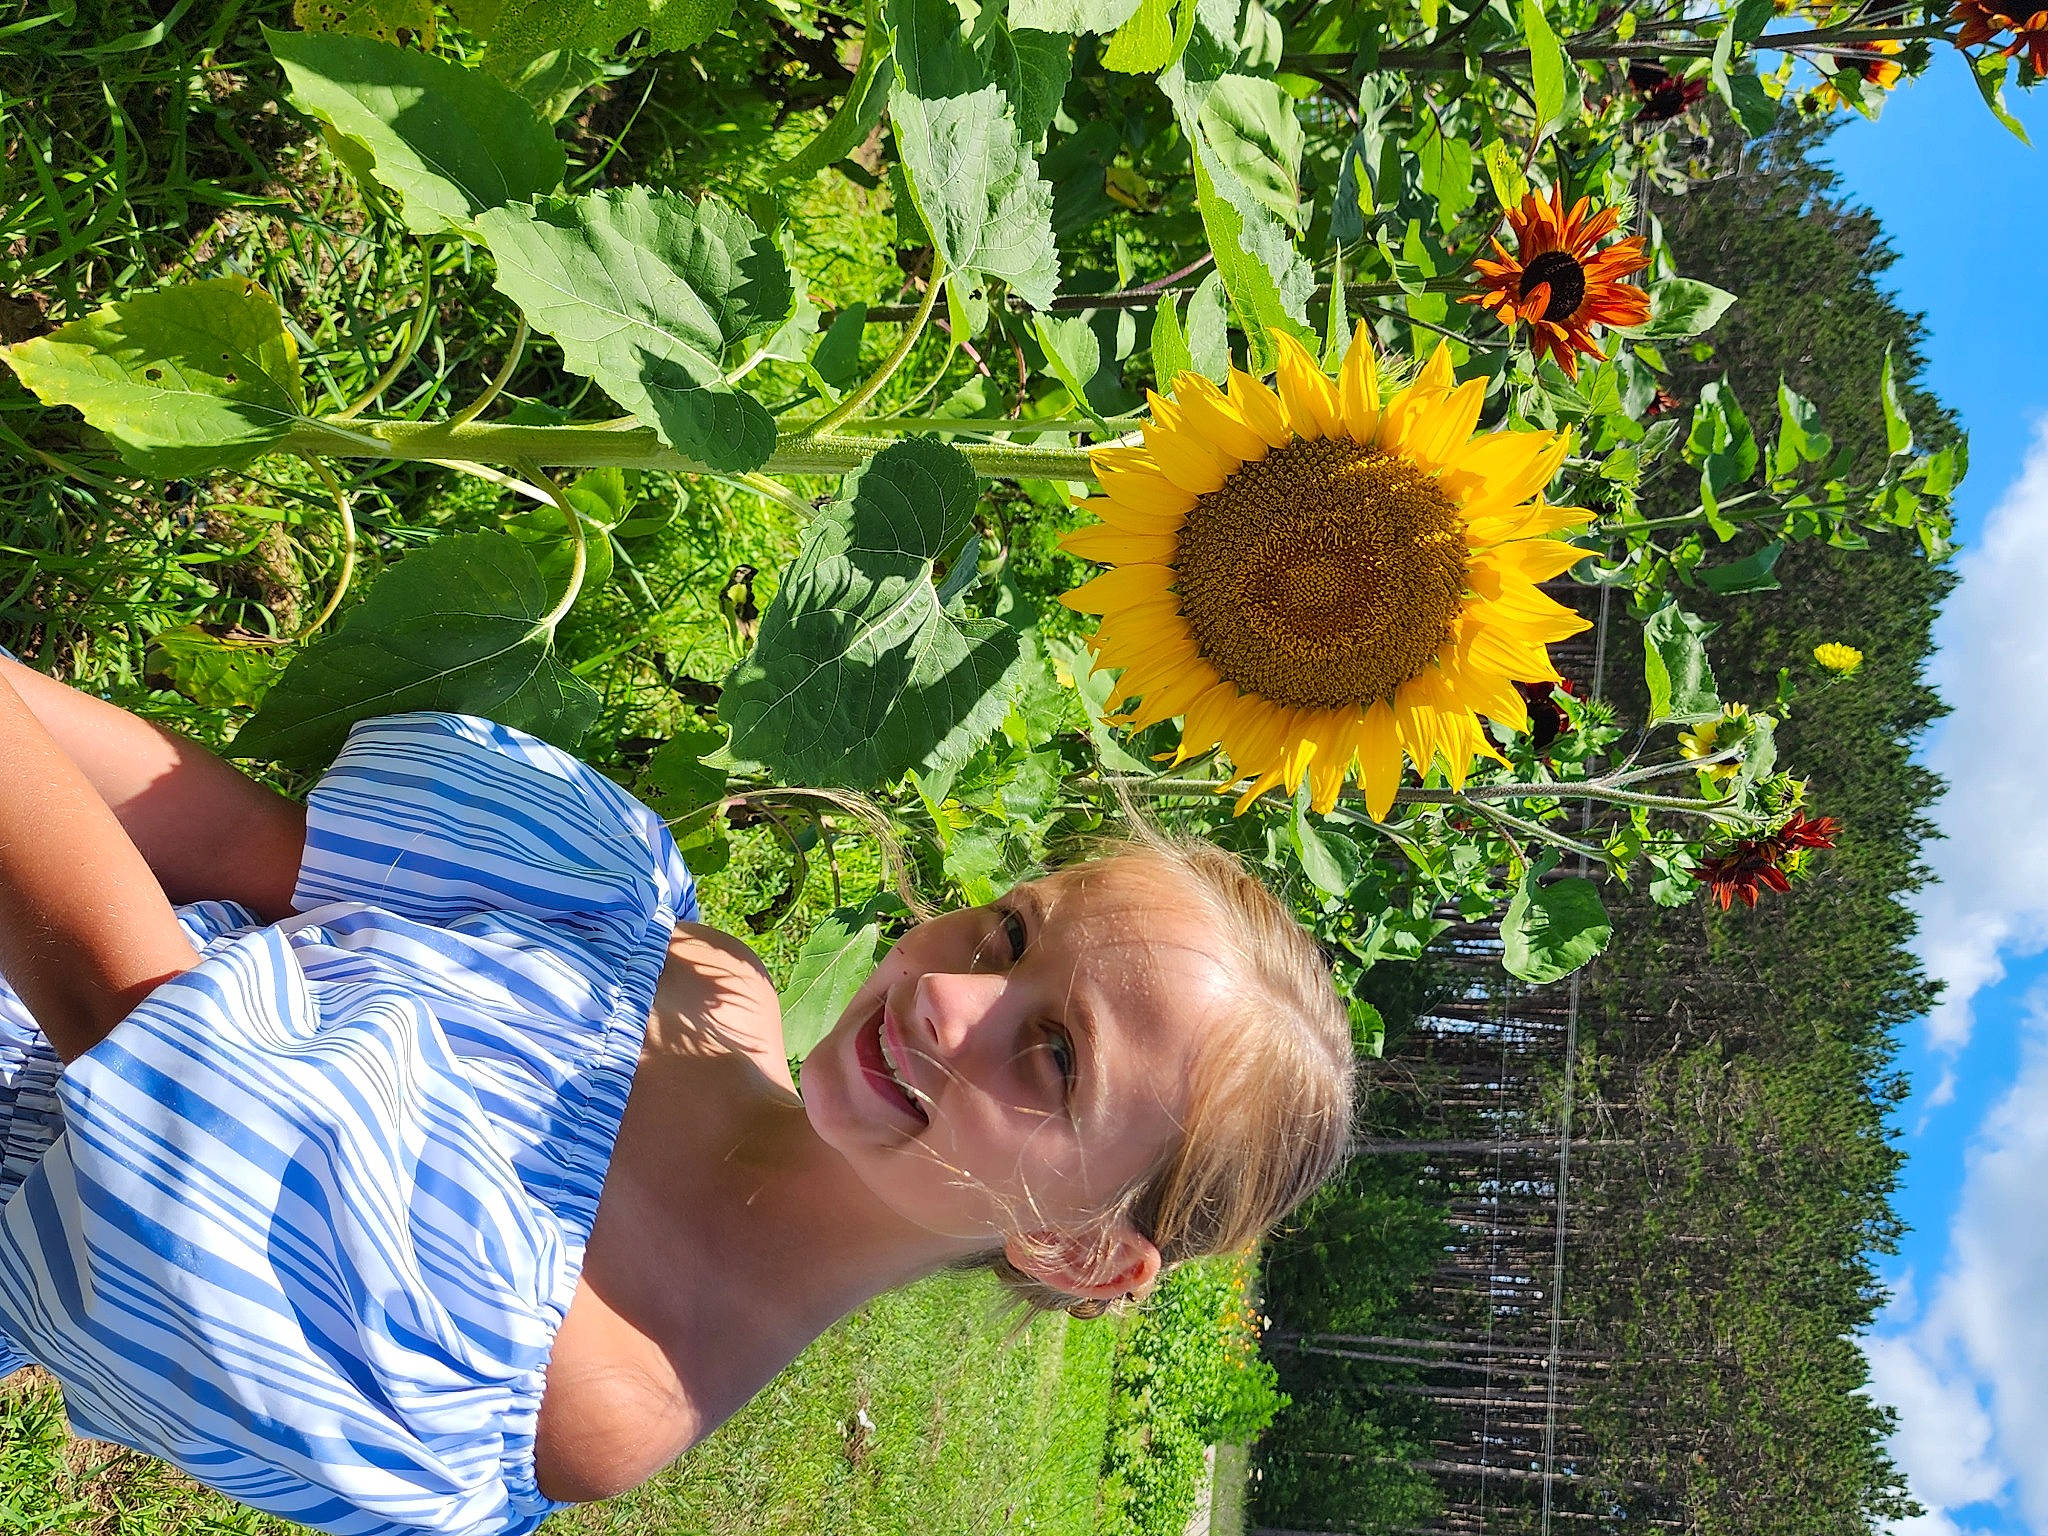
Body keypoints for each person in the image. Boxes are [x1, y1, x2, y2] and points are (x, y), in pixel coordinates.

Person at [0, 642, 1356, 1536]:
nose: (950, 995)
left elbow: (127, 1019)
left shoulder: (579, 1389)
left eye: (1053, 1056)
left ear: (1078, 1250)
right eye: (1008, 933)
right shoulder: (671, 953)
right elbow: (234, 844)